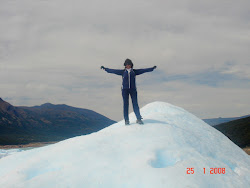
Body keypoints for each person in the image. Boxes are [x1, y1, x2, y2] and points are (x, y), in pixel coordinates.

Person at [101, 59, 157, 125]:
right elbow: (113, 71)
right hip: (125, 90)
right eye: (127, 64)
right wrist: (105, 69)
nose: (128, 66)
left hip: (133, 90)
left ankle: (138, 119)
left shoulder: (134, 72)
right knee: (125, 105)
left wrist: (152, 68)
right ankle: (126, 120)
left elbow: (143, 70)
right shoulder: (122, 72)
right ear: (125, 65)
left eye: (129, 64)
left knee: (135, 104)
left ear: (131, 65)